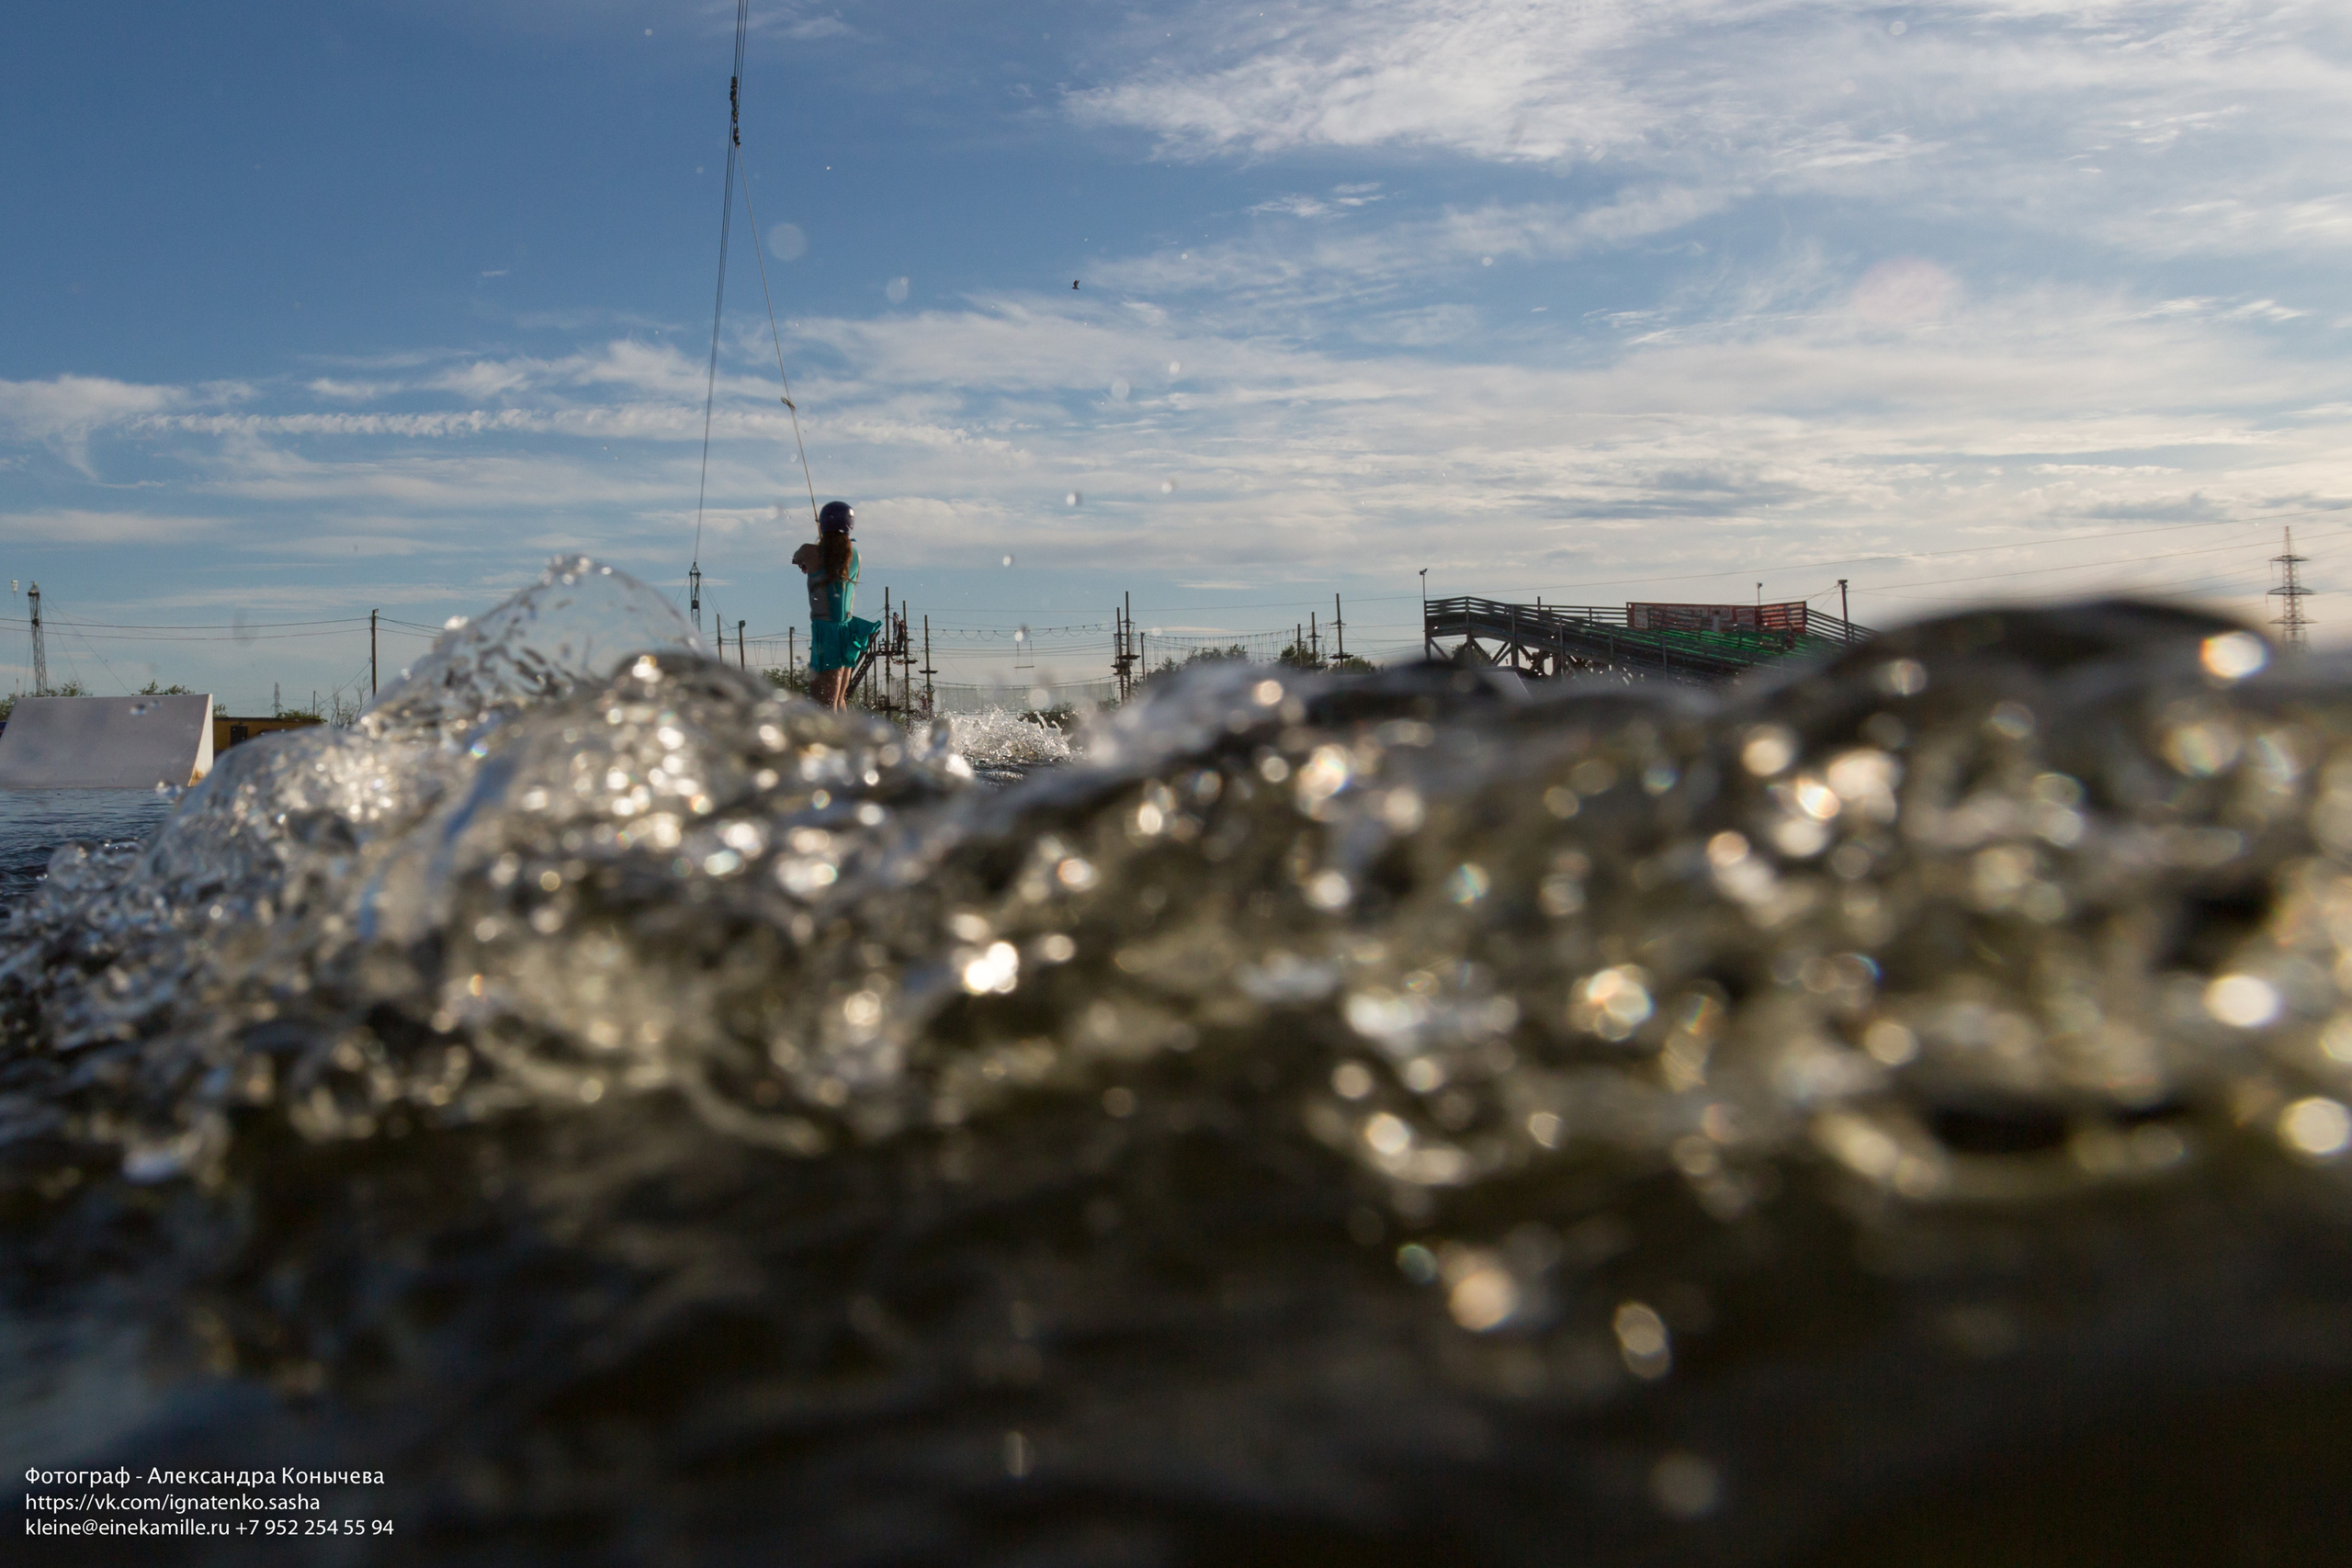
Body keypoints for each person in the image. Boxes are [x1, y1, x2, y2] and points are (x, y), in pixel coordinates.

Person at [791, 501, 877, 711]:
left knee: (822, 706)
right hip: (847, 632)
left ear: (821, 524)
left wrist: (807, 561)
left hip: (826, 633)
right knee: (839, 702)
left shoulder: (809, 552)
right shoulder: (855, 555)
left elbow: (796, 558)